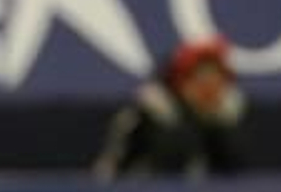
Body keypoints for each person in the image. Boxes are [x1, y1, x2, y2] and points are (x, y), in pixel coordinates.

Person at [94, 37, 246, 179]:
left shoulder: (227, 120)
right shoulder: (144, 117)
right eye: (200, 80)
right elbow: (108, 173)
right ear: (178, 81)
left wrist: (221, 129)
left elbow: (241, 175)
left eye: (218, 81)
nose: (209, 90)